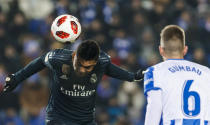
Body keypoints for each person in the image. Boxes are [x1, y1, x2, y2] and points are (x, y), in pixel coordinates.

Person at [2, 40, 144, 125]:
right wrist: (16, 78)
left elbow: (116, 71)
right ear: (75, 55)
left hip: (85, 120)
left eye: (88, 67)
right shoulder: (59, 58)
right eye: (79, 64)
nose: (82, 70)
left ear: (95, 63)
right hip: (58, 117)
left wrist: (133, 77)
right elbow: (39, 62)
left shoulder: (103, 63)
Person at [144, 25, 210, 125]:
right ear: (185, 49)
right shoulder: (206, 72)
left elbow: (154, 109)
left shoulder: (155, 72)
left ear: (161, 50)